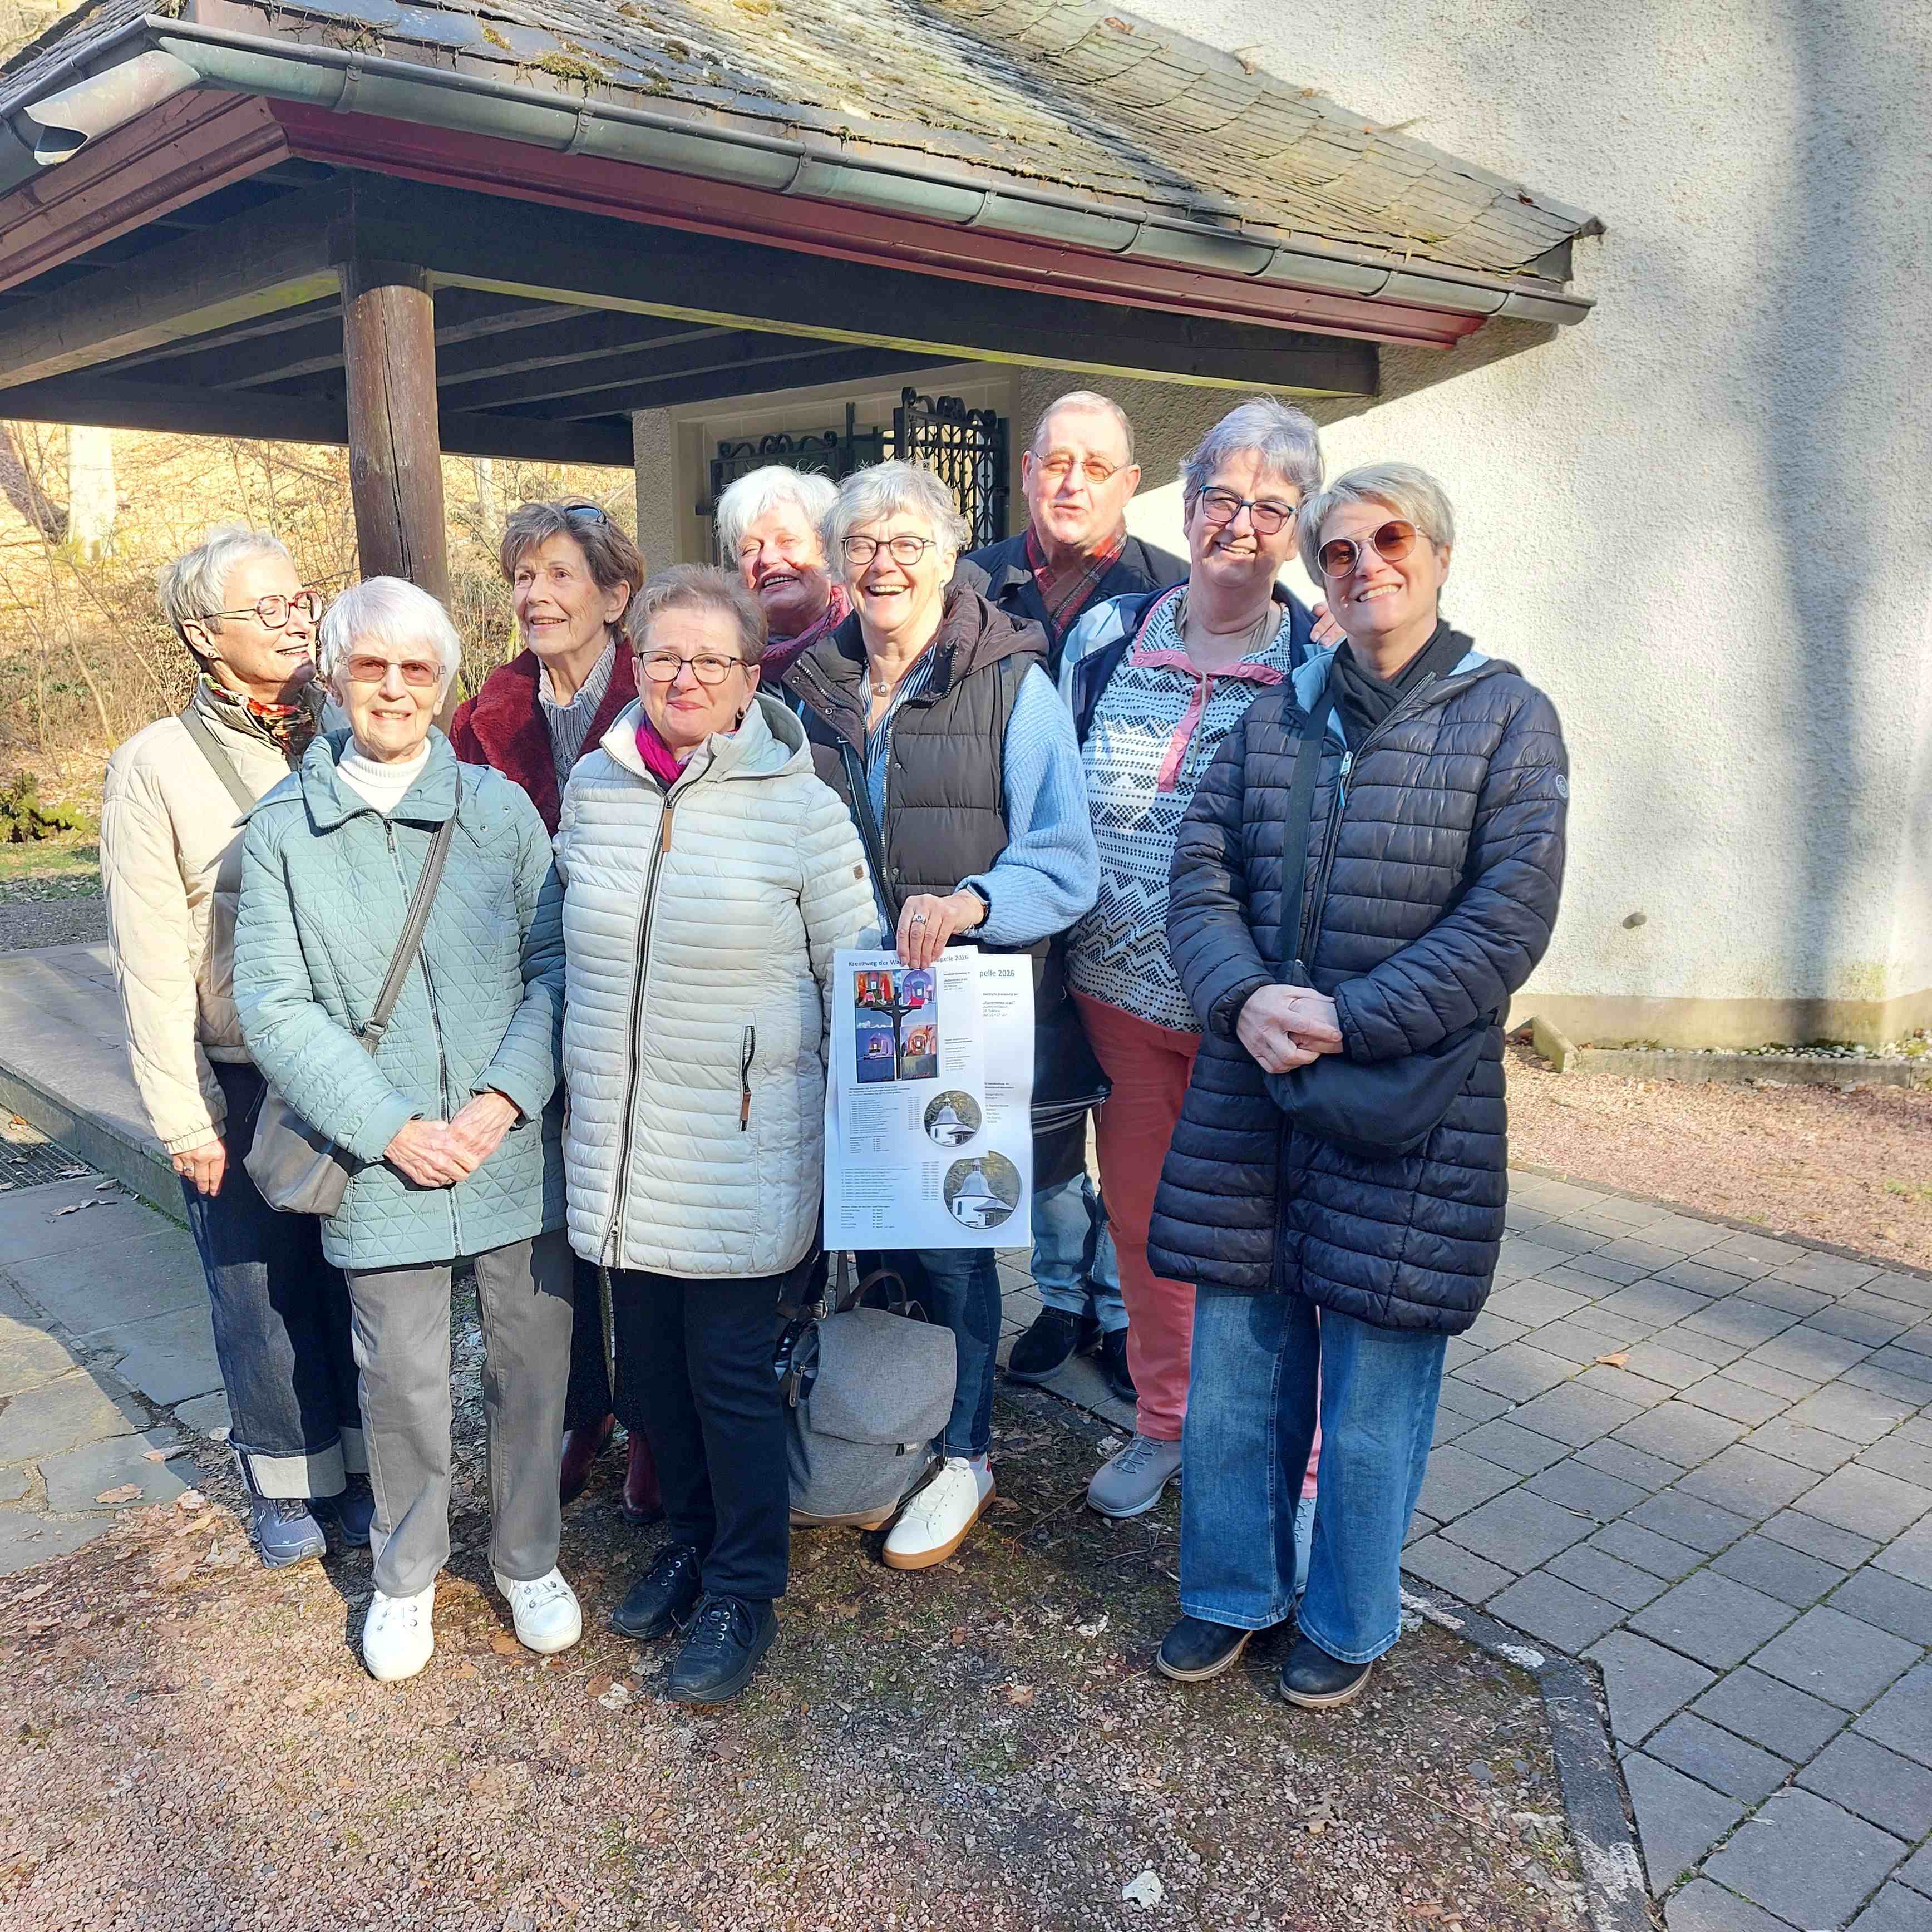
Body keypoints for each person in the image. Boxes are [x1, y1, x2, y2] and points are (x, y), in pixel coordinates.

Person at [1148, 464, 1568, 1707]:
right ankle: (1231, 1590)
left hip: (1408, 1106)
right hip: (1254, 1090)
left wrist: (1345, 1019)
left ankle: (1347, 1613)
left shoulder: (1508, 717)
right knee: (1237, 1373)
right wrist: (1242, 997)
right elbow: (1199, 869)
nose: (1364, 565)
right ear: (1317, 576)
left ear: (1436, 556)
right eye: (1337, 550)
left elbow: (1507, 917)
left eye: (1389, 541)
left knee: (1375, 1391)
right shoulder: (1274, 714)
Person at [234, 576, 578, 1684]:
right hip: (376, 1157)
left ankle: (529, 1556)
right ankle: (406, 1572)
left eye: (416, 667)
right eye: (370, 665)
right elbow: (275, 1003)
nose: (393, 687)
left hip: (507, 1141)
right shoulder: (283, 831)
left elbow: (555, 962)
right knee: (401, 1383)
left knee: (533, 1364)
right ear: (334, 677)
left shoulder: (497, 810)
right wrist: (388, 1126)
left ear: (443, 682)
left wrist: (504, 1097)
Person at [555, 565, 874, 1705]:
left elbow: (859, 976)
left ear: (749, 679)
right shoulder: (595, 786)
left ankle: (744, 1585)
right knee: (651, 1372)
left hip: (743, 1148)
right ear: (635, 661)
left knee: (732, 1378)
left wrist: (872, 1157)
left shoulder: (801, 806)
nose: (682, 676)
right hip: (620, 1145)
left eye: (709, 659)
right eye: (662, 655)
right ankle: (687, 1540)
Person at [785, 461, 1098, 1571]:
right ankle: (878, 1429)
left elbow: (1065, 861)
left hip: (950, 1012)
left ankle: (964, 1450)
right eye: (861, 543)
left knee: (952, 1242)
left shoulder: (1014, 687)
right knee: (859, 1232)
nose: (883, 564)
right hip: (839, 1016)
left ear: (949, 556)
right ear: (838, 561)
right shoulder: (808, 688)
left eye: (906, 543)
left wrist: (971, 902)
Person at [1055, 396, 1323, 1521]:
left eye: (1271, 506)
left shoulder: (1316, 657)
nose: (1240, 524)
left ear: (1298, 528)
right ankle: (1163, 1420)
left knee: (1266, 1242)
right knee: (1143, 1226)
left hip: (1243, 1015)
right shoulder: (1105, 637)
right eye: (1222, 496)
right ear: (1187, 501)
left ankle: (1292, 1460)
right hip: (1112, 1002)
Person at [100, 526, 370, 1569]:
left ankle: (361, 1464)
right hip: (242, 1069)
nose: (296, 622)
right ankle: (288, 1478)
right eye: (268, 608)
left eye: (301, 600)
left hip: (350, 1062)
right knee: (257, 1285)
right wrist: (184, 1111)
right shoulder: (155, 765)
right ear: (203, 634)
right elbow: (147, 951)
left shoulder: (348, 727)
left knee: (356, 1273)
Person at [961, 390, 1185, 1397]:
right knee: (1042, 1132)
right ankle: (1061, 1294)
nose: (1073, 482)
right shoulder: (972, 582)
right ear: (1027, 473)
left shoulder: (1169, 592)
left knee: (1133, 1141)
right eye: (1056, 461)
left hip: (1135, 923)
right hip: (1013, 900)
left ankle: (1124, 1315)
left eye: (1097, 466)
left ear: (1130, 483)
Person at [448, 498, 659, 1523]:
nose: (535, 596)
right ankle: (586, 1408)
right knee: (554, 1222)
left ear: (615, 596)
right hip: (525, 996)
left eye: (559, 575)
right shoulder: (481, 718)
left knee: (643, 1211)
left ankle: (655, 1417)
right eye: (524, 578)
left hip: (642, 997)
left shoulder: (664, 693)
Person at [715, 465, 850, 682]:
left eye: (787, 541)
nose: (767, 559)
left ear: (828, 549)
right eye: (750, 549)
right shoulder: (719, 663)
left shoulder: (872, 644)